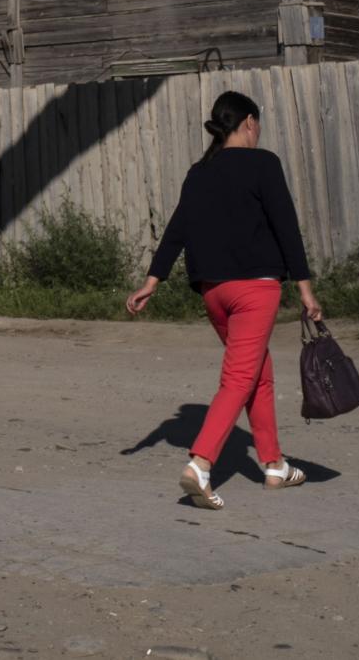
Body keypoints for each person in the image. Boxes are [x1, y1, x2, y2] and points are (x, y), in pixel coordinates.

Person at [123, 90, 322, 509]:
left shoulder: (200, 172)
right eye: (258, 124)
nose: (259, 131)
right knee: (238, 378)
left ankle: (273, 465)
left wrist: (152, 280)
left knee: (257, 373)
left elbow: (177, 228)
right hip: (255, 290)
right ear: (249, 122)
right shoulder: (264, 164)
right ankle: (201, 463)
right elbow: (286, 227)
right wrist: (305, 289)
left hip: (213, 291)